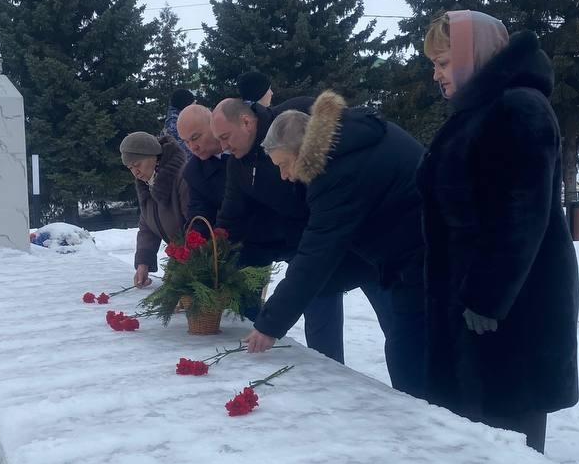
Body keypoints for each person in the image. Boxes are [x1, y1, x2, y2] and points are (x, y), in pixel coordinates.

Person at [417, 11, 579, 453]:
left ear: (475, 57)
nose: (437, 75)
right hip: (472, 305)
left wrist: (488, 296)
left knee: (510, 446)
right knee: (476, 443)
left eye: (444, 62)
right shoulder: (477, 111)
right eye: (435, 64)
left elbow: (522, 213)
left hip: (510, 313)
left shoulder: (518, 109)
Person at [245, 93, 427, 395]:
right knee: (407, 349)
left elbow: (318, 252)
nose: (285, 176)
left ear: (300, 151)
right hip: (405, 257)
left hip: (422, 258)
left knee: (408, 356)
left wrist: (269, 325)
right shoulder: (342, 145)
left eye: (284, 164)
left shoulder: (336, 170)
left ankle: (432, 429)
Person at [212, 97, 349, 363]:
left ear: (247, 122)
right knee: (316, 306)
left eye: (226, 137)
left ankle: (333, 375)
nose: (223, 147)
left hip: (325, 237)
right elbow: (231, 216)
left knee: (329, 306)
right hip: (293, 243)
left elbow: (317, 199)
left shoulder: (287, 133)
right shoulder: (237, 163)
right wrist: (215, 259)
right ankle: (324, 374)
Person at [121, 132, 189, 289]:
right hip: (181, 259)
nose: (135, 172)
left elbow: (194, 228)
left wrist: (179, 267)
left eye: (137, 164)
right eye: (130, 168)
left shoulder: (182, 177)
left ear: (154, 156)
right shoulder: (147, 183)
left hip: (201, 262)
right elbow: (147, 227)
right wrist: (143, 262)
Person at [176, 103, 229, 227]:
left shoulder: (245, 142)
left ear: (213, 125)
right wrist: (193, 240)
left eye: (195, 137)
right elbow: (200, 213)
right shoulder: (194, 172)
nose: (192, 147)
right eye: (186, 142)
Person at [163, 88, 197, 154]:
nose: (195, 107)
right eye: (193, 104)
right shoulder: (175, 124)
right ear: (187, 105)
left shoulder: (178, 119)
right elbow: (187, 153)